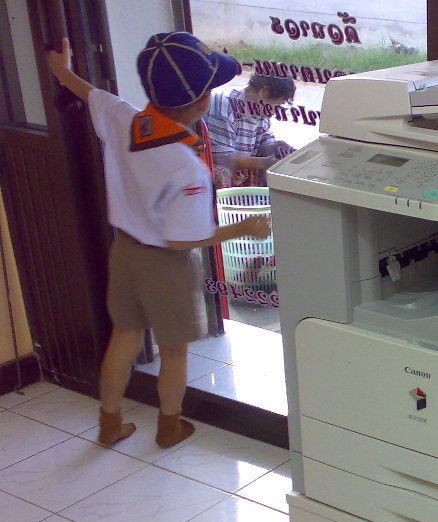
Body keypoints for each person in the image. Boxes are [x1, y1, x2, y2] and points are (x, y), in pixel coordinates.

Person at [46, 32, 271, 448]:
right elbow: (185, 241)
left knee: (124, 337)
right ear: (203, 103)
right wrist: (246, 228)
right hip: (166, 265)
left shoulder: (125, 119)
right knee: (174, 351)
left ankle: (110, 423)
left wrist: (62, 70)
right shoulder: (186, 167)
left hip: (126, 251)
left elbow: (90, 93)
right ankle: (169, 426)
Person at [205, 73, 297, 188]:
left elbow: (264, 143)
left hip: (239, 167)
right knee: (221, 173)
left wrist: (276, 147)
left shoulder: (261, 109)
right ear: (264, 92)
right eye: (278, 104)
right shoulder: (224, 105)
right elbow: (222, 157)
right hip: (211, 164)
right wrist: (264, 162)